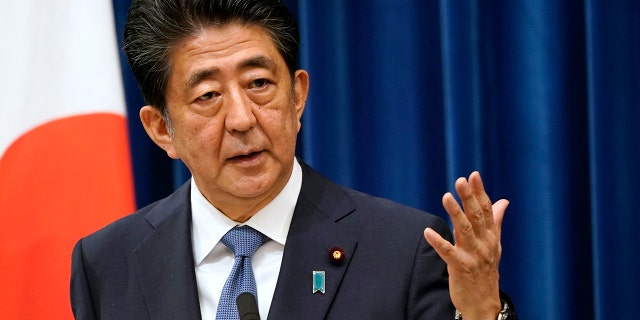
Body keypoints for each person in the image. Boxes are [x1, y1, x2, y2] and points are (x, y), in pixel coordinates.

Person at [70, 0, 516, 319]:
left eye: (259, 83)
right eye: (208, 95)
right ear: (161, 129)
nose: (243, 119)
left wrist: (479, 312)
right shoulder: (108, 263)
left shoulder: (403, 251)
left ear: (297, 95)